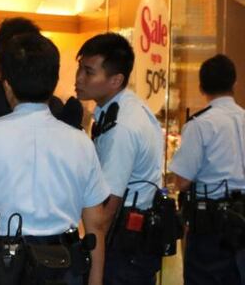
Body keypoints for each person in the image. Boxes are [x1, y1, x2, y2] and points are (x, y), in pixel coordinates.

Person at [0, 32, 109, 285]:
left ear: (7, 85)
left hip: (1, 267)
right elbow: (97, 225)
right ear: (53, 83)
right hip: (63, 266)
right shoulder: (80, 142)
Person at [75, 32, 165, 285]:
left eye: (89, 72)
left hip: (124, 245)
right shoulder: (118, 109)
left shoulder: (122, 127)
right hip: (129, 241)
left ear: (116, 80)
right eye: (80, 69)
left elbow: (104, 215)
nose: (79, 78)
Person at [169, 54, 245, 284]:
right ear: (235, 84)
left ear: (201, 87)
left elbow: (181, 181)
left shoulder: (200, 124)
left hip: (211, 228)